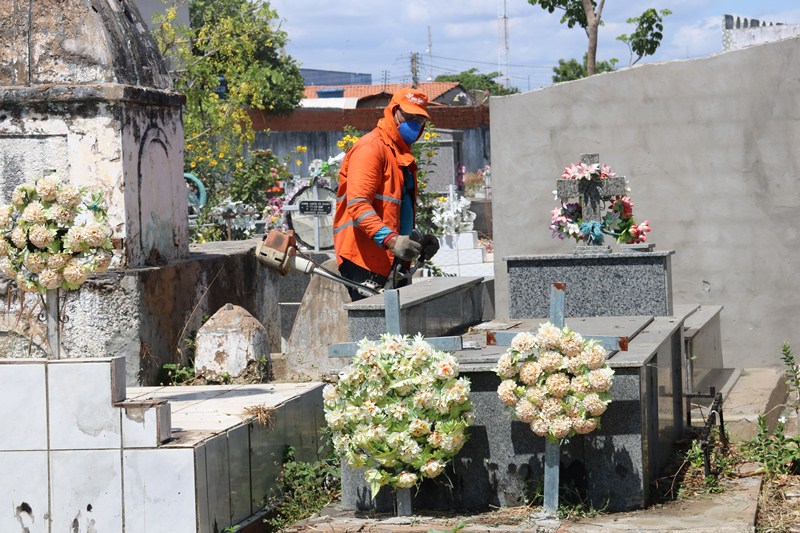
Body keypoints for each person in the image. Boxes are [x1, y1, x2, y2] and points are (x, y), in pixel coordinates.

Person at [333, 88, 437, 300]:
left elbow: (396, 210)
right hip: (365, 259)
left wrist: (417, 242)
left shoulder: (399, 154)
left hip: (391, 258)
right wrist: (390, 239)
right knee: (375, 330)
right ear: (393, 112)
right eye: (408, 116)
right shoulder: (371, 149)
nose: (414, 124)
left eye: (418, 119)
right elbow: (358, 205)